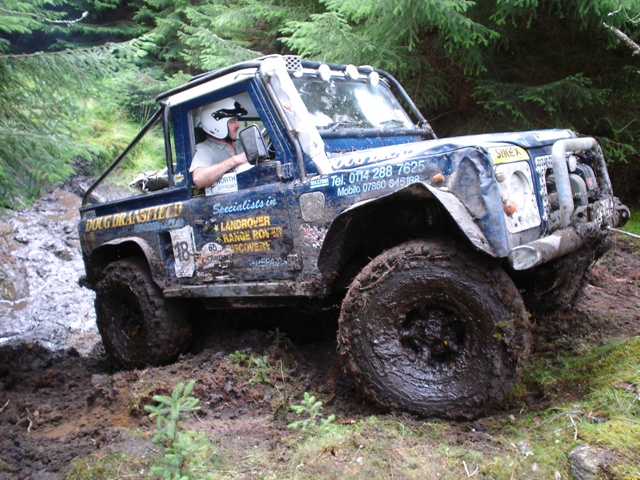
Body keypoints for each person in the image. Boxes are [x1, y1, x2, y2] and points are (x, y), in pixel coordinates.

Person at [190, 98, 249, 188]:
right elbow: (199, 179)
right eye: (232, 121)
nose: (238, 125)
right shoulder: (205, 149)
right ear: (216, 125)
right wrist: (234, 161)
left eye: (236, 120)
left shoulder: (239, 144)